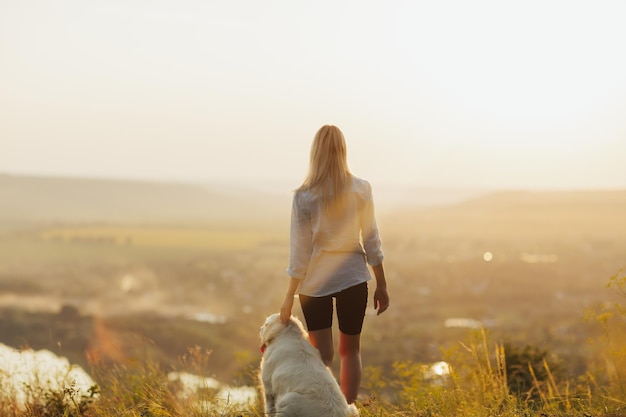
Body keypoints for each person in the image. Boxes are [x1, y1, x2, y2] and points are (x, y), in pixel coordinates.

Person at [279, 124, 390, 404]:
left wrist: (288, 297)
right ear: (343, 151)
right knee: (350, 351)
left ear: (315, 153)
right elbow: (372, 240)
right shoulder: (361, 189)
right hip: (353, 278)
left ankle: (324, 410)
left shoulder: (304, 195)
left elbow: (299, 253)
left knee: (321, 358)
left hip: (314, 284)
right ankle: (348, 410)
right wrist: (382, 284)